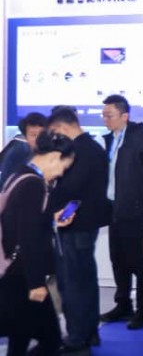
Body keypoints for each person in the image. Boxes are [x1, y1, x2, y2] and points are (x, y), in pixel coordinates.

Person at [0, 132, 76, 356]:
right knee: (51, 340)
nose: (61, 173)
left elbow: (21, 221)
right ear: (54, 157)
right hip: (23, 275)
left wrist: (51, 219)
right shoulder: (33, 185)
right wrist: (36, 283)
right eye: (63, 166)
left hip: (14, 271)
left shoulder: (20, 174)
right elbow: (29, 237)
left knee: (20, 335)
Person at [47, 107, 111, 352]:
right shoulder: (93, 148)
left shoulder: (81, 151)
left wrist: (50, 192)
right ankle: (88, 331)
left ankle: (77, 336)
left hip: (74, 223)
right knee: (84, 279)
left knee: (72, 282)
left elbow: (71, 188)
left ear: (62, 127)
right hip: (85, 223)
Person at [99, 94, 143, 330]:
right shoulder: (111, 139)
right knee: (118, 259)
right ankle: (123, 304)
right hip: (114, 208)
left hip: (133, 211)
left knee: (138, 261)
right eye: (103, 115)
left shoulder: (139, 139)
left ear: (124, 116)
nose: (105, 119)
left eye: (109, 115)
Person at [0, 112, 47, 188]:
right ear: (25, 137)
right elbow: (5, 184)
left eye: (42, 134)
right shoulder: (17, 154)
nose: (38, 139)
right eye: (33, 135)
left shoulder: (53, 153)